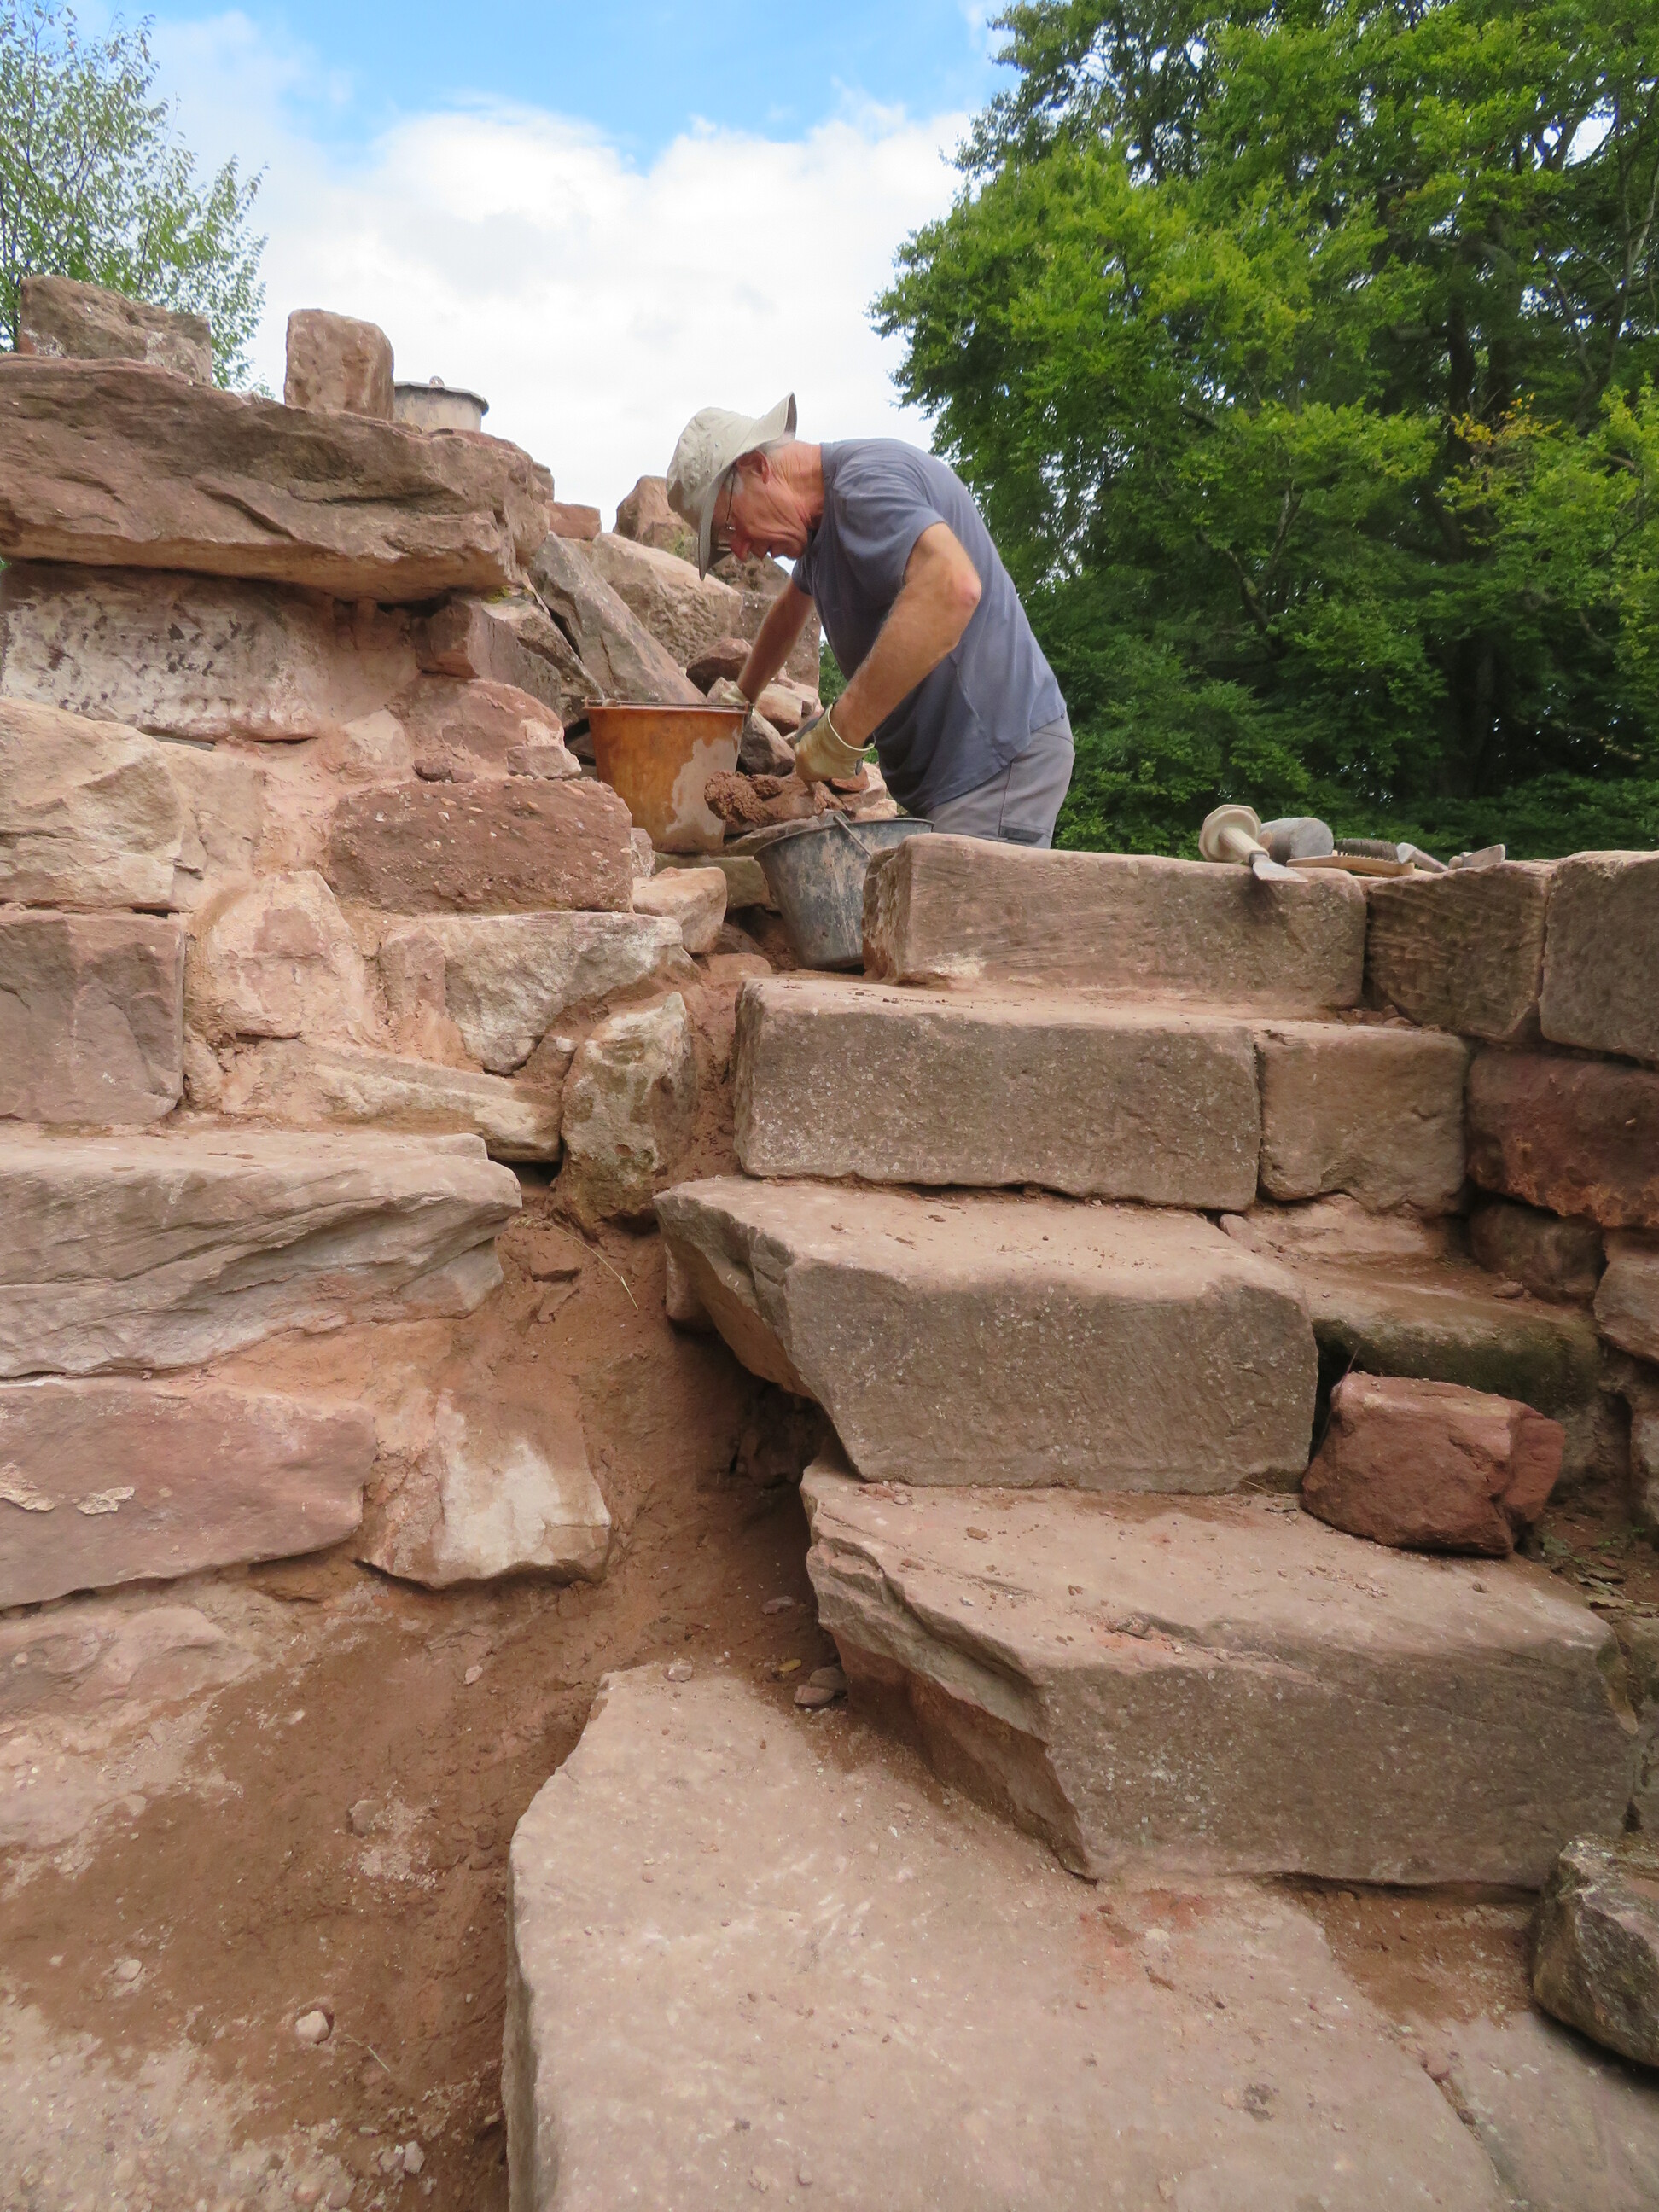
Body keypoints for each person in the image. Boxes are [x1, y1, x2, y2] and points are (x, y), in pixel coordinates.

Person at [665, 394, 1073, 847]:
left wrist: (841, 731)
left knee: (956, 897)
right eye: (726, 545)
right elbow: (789, 611)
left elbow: (952, 587)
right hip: (953, 775)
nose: (741, 552)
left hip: (997, 762)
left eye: (729, 528)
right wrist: (742, 696)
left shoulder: (864, 487)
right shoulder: (819, 529)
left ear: (757, 467)